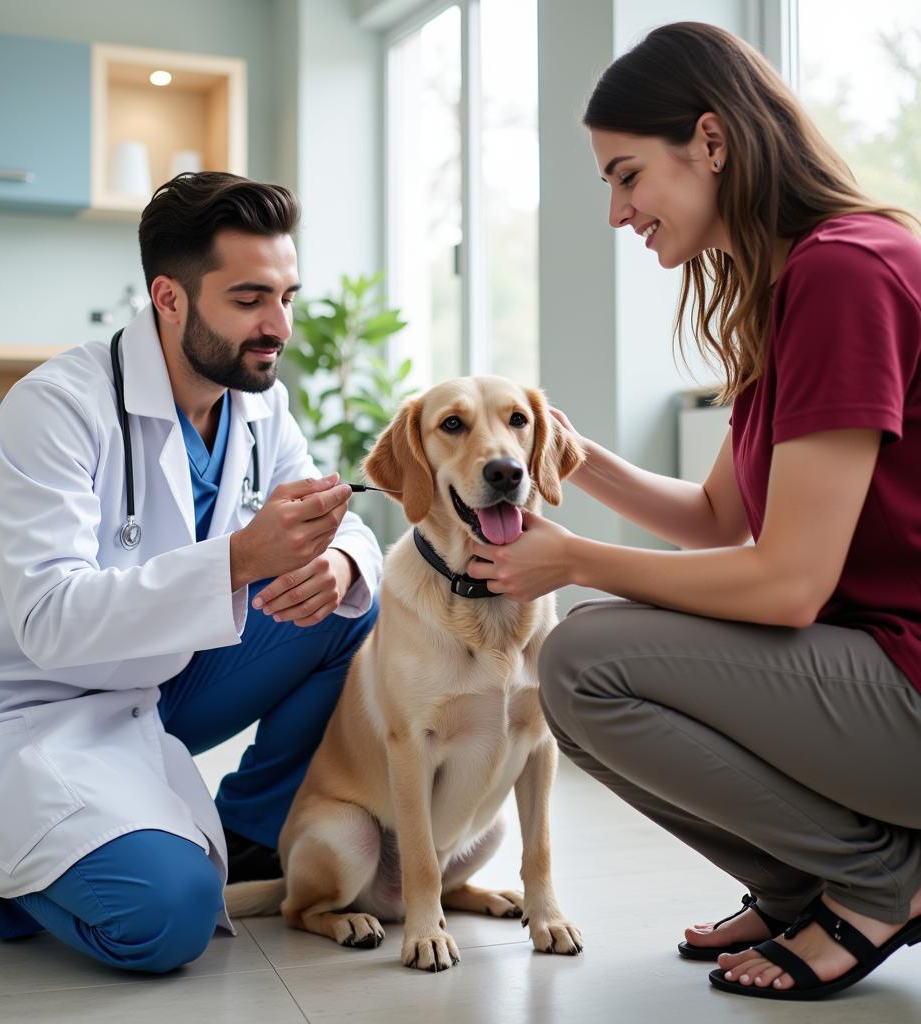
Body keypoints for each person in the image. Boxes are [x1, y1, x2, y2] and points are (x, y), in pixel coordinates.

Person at [465, 22, 921, 1002]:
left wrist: (577, 560)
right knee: (574, 676)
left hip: (906, 679)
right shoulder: (791, 285)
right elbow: (717, 514)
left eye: (626, 176)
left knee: (583, 660)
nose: (619, 212)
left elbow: (790, 582)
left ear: (710, 142)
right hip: (879, 668)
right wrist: (562, 452)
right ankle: (805, 889)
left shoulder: (845, 272)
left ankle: (885, 882)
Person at [0, 172, 381, 974]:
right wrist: (240, 559)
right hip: (18, 708)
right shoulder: (56, 407)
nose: (279, 326)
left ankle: (250, 835)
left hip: (154, 688)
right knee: (169, 918)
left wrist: (337, 558)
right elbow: (50, 622)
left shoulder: (260, 406)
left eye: (288, 297)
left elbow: (346, 523)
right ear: (170, 298)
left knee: (353, 606)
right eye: (251, 299)